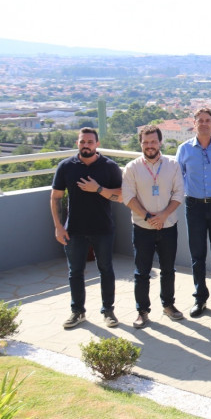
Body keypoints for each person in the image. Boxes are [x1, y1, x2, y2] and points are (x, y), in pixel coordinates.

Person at [50, 127, 123, 329]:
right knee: (75, 272)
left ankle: (108, 311)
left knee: (106, 270)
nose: (86, 145)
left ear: (97, 144)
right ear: (77, 143)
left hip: (103, 228)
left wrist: (98, 189)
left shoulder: (109, 166)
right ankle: (77, 312)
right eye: (82, 142)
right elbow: (55, 197)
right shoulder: (66, 166)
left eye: (90, 142)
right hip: (74, 229)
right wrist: (58, 227)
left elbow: (122, 195)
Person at [122, 125, 185, 328]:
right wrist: (149, 217)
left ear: (160, 143)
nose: (150, 146)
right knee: (142, 272)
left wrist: (163, 215)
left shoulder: (173, 165)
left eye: (153, 142)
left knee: (168, 269)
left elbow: (178, 194)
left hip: (168, 226)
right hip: (142, 227)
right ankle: (142, 311)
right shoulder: (132, 168)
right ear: (141, 143)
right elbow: (128, 197)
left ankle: (168, 306)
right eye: (146, 142)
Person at [176, 108, 211, 317]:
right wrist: (188, 190)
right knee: (197, 255)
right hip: (194, 206)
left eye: (207, 120)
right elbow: (178, 173)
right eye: (200, 120)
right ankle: (200, 299)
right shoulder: (184, 149)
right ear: (194, 123)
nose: (203, 123)